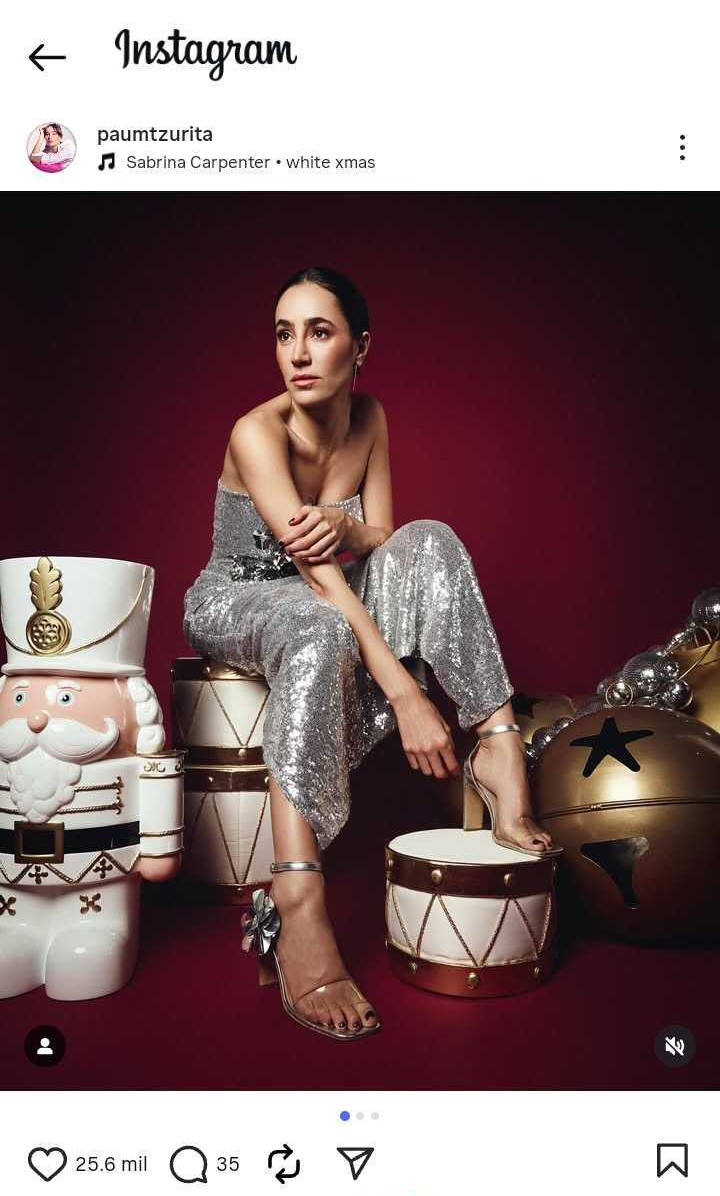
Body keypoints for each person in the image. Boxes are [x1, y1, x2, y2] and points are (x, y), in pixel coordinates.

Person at [183, 265, 561, 1041]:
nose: (298, 353)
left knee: (433, 539)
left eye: (319, 332)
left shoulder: (371, 416)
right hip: (240, 598)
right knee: (321, 627)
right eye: (284, 334)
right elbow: (320, 583)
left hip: (324, 595)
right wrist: (406, 694)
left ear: (360, 347)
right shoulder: (257, 433)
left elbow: (385, 540)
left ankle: (498, 747)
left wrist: (353, 528)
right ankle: (297, 901)